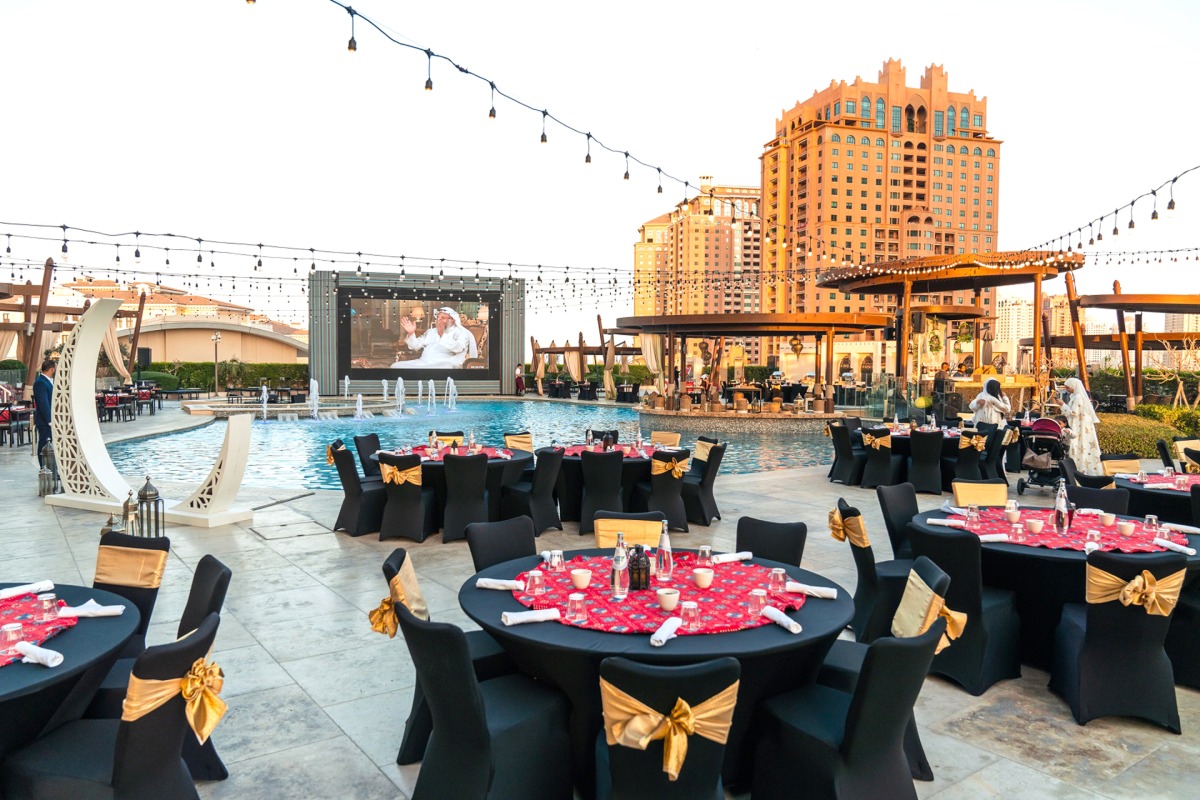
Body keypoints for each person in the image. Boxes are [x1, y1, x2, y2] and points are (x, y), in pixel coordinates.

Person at [392, 307, 476, 369]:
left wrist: (442, 334)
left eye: (442, 318)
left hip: (446, 364)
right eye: (438, 317)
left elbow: (458, 348)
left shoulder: (461, 332)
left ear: (452, 319)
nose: (439, 320)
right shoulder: (431, 332)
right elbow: (415, 346)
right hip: (424, 363)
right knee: (396, 366)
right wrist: (411, 333)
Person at [1061, 377, 1102, 474]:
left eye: (1068, 387)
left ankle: (1080, 468)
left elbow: (1074, 412)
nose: (1067, 390)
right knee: (1082, 445)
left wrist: (1062, 405)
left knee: (1080, 445)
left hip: (1080, 426)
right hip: (1080, 424)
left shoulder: (1078, 397)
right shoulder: (1075, 396)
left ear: (1074, 386)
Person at [33, 359, 55, 467]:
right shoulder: (40, 382)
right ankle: (43, 468)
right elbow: (43, 403)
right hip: (44, 421)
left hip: (49, 420)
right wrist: (50, 421)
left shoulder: (47, 381)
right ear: (52, 369)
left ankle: (51, 469)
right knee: (44, 444)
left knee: (50, 444)